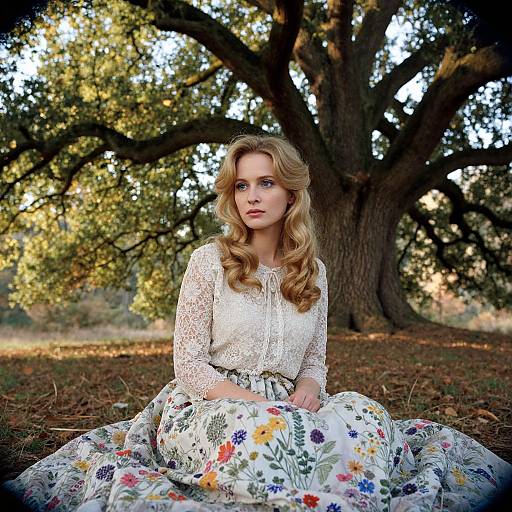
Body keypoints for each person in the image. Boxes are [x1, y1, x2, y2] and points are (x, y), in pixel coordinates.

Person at [2, 134, 511, 511]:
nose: (252, 195)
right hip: (212, 402)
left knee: (366, 419)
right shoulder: (210, 261)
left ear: (290, 193)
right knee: (262, 435)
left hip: (289, 401)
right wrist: (256, 403)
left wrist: (311, 387)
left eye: (266, 183)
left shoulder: (316, 272)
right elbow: (189, 365)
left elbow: (315, 358)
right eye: (242, 184)